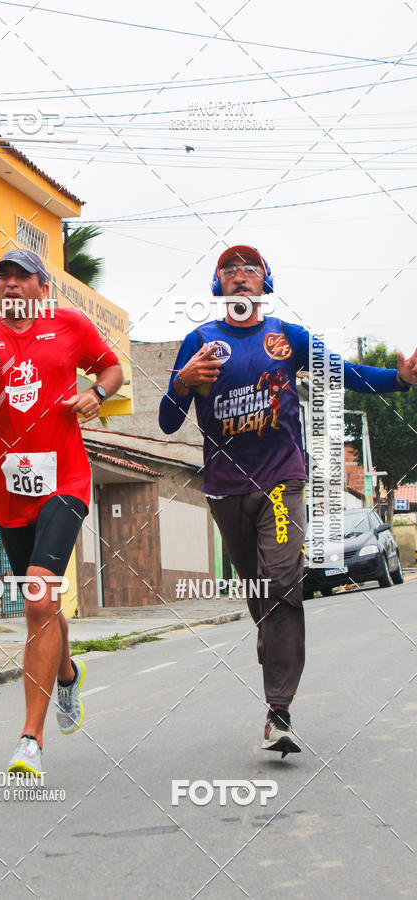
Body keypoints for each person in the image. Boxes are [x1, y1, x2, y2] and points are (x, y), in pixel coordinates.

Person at [159, 244, 417, 757]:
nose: (239, 277)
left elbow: (342, 372)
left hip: (283, 483)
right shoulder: (199, 342)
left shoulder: (287, 338)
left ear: (264, 283)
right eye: (229, 271)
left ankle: (279, 711)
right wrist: (183, 382)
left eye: (249, 270)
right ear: (217, 287)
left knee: (281, 585)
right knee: (260, 593)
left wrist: (400, 378)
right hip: (225, 489)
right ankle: (271, 649)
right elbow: (167, 421)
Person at [0, 248, 123, 776]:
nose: (12, 285)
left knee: (39, 595)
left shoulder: (70, 325)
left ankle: (29, 741)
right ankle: (66, 676)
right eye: (3, 278)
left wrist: (96, 394)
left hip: (65, 482)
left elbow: (111, 367)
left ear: (42, 288)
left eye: (23, 277)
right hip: (10, 496)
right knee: (43, 606)